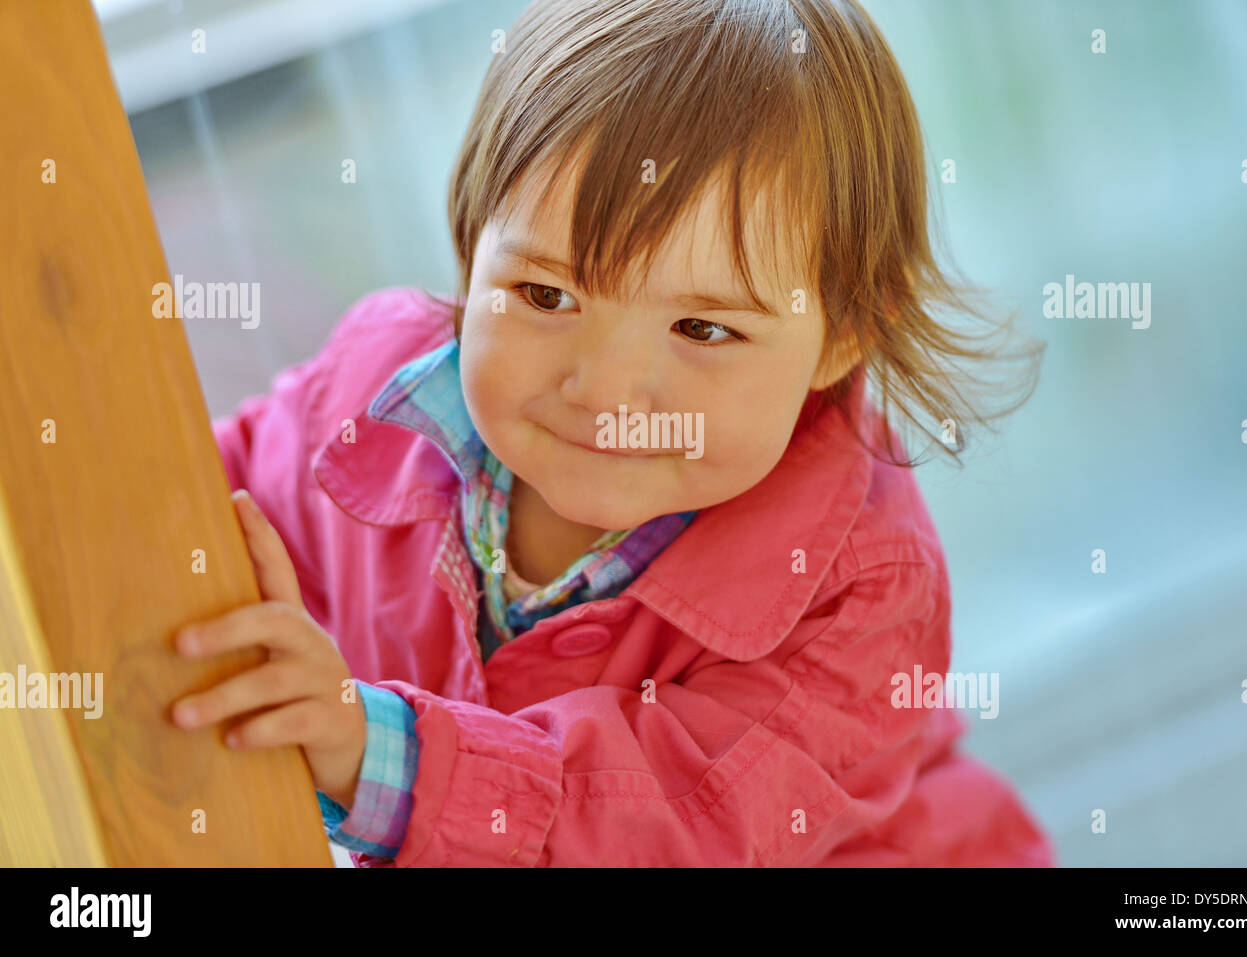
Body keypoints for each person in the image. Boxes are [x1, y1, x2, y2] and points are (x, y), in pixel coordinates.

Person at [169, 0, 1051, 866]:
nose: (605, 390)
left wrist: (376, 751)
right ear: (474, 249)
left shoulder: (860, 589)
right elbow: (194, 495)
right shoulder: (367, 396)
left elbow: (673, 833)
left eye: (704, 330)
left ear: (845, 336)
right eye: (547, 295)